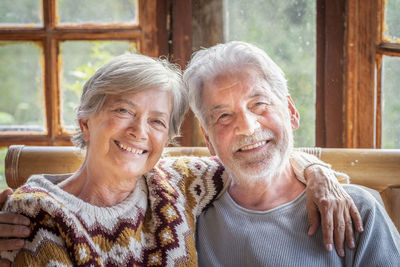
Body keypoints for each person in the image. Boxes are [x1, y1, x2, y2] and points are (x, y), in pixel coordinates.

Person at [0, 53, 359, 266]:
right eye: (124, 111)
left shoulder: (176, 184)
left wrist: (315, 171)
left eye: (157, 121)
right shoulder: (38, 215)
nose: (139, 131)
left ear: (166, 141)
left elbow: (252, 151)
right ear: (85, 122)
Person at [183, 41, 400, 266]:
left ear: (291, 111)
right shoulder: (187, 222)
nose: (247, 127)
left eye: (259, 104)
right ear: (208, 138)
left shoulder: (355, 210)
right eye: (224, 116)